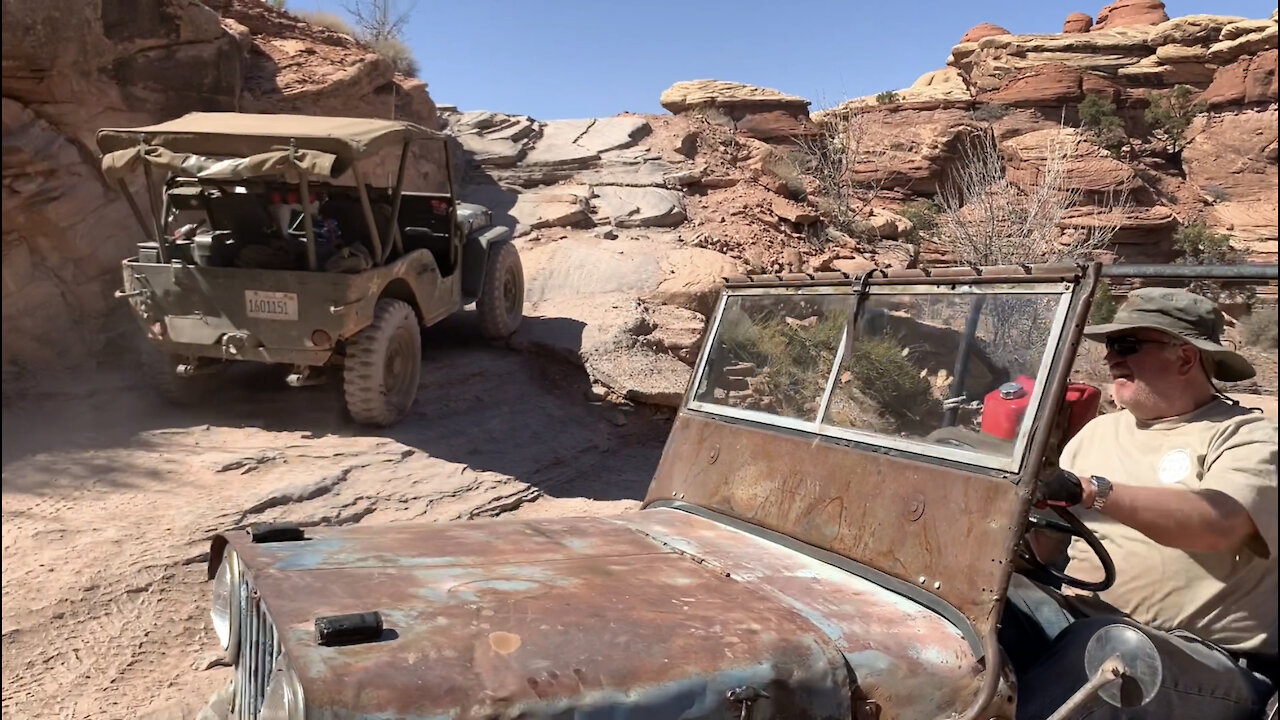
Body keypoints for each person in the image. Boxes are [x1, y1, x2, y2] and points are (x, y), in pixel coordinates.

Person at [1002, 287, 1278, 720]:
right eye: (1110, 345)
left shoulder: (1246, 438)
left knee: (1103, 647)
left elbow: (1220, 522)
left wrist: (1094, 491)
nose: (1111, 358)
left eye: (1126, 345)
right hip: (1077, 620)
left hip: (1201, 657)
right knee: (978, 620)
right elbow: (1046, 552)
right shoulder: (1097, 434)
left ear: (1185, 357)